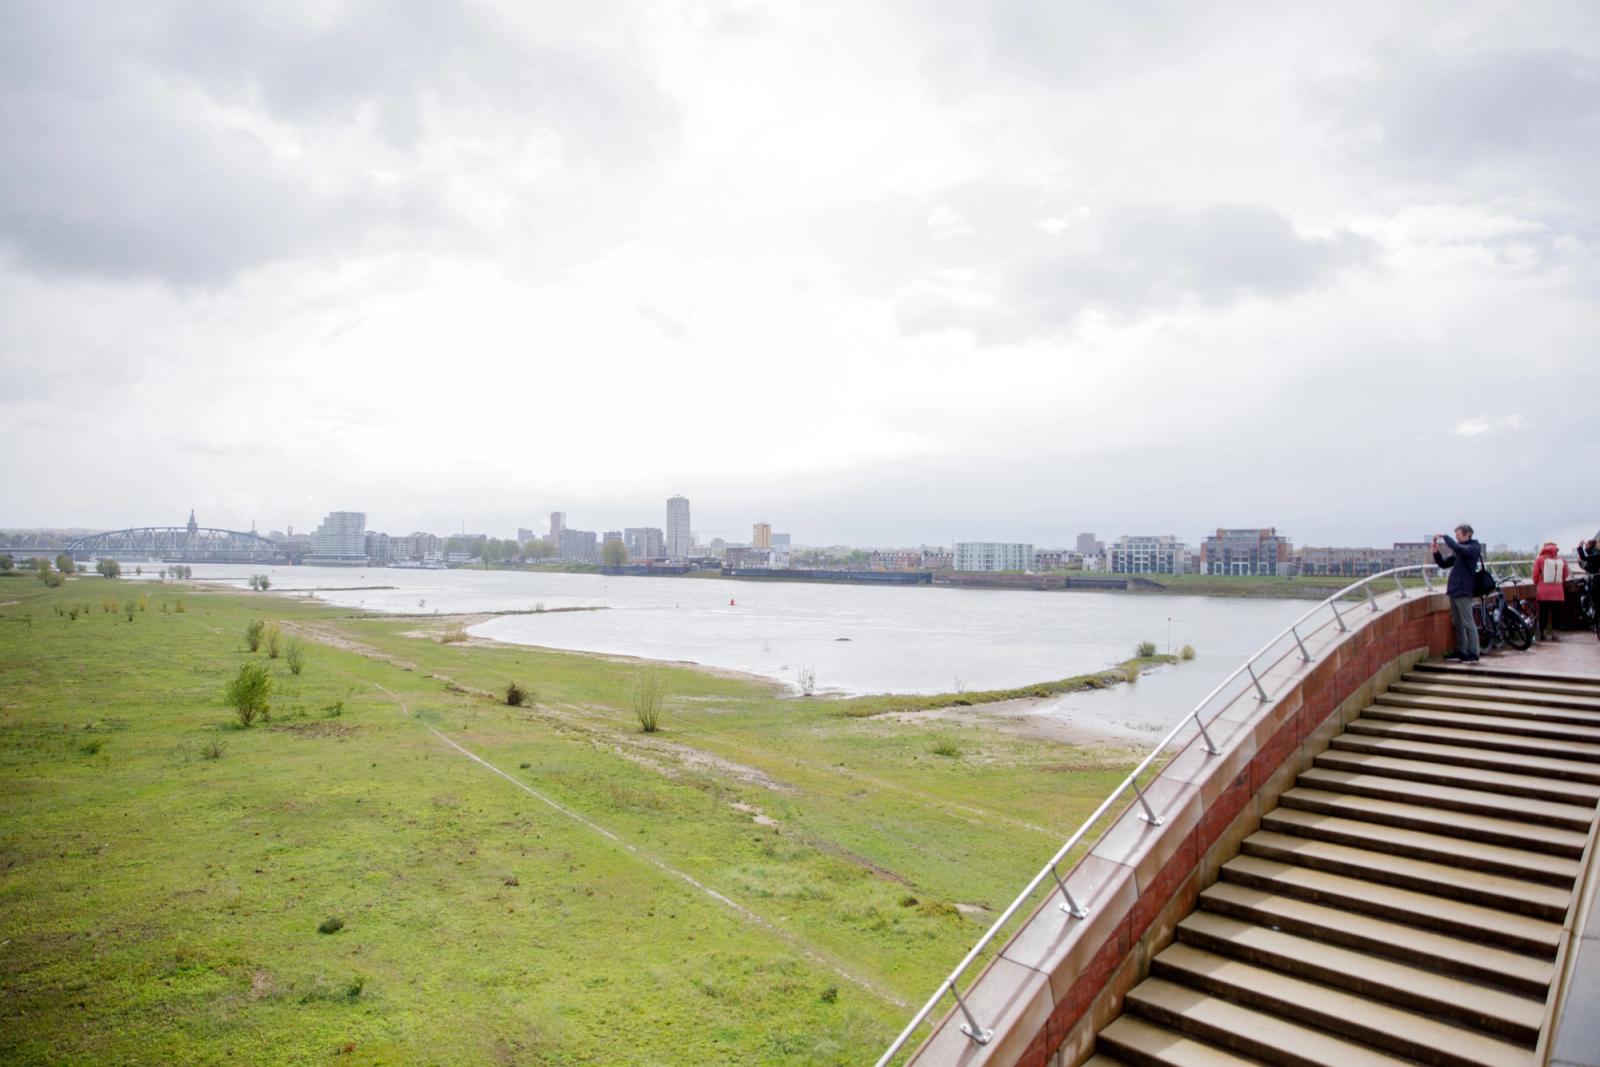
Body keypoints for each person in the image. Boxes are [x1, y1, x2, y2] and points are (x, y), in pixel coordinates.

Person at [1432, 525, 1483, 662]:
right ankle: (1461, 650)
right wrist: (1436, 553)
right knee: (1457, 622)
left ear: (1467, 535)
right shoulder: (1461, 550)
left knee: (1468, 622)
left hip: (1464, 590)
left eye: (1458, 535)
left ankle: (1474, 652)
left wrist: (1445, 537)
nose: (1456, 538)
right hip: (1454, 590)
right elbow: (1444, 564)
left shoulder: (1473, 548)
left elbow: (1459, 548)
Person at [1532, 541, 1570, 642]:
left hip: (1543, 592)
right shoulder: (1561, 560)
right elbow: (1566, 575)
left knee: (1543, 613)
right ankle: (1555, 634)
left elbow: (1535, 575)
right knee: (1556, 613)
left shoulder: (1539, 560)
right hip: (1558, 592)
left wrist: (1538, 583)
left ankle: (1542, 634)